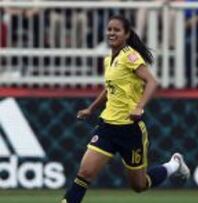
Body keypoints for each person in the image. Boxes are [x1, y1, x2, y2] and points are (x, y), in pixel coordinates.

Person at [61, 15, 190, 203]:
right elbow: (110, 89)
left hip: (130, 129)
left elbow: (152, 82)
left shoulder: (130, 56)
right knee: (84, 173)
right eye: (109, 29)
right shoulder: (108, 60)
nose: (111, 33)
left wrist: (139, 107)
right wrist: (91, 108)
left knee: (139, 185)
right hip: (107, 126)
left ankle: (174, 164)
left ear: (127, 34)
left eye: (116, 30)